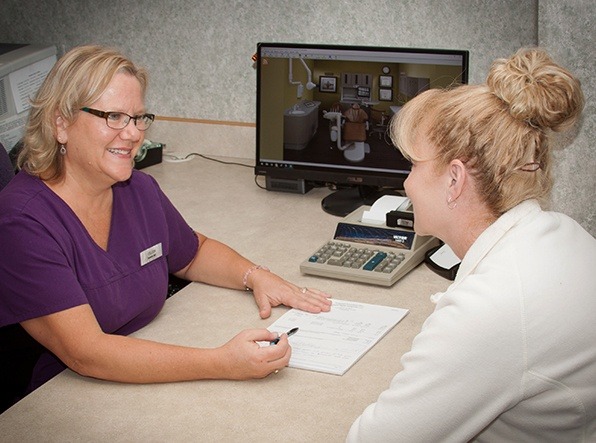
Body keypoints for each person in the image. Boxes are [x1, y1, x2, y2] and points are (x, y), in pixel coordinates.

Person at [0, 44, 331, 412]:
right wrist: (221, 362)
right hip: (65, 401)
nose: (132, 134)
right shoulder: (22, 221)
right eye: (113, 116)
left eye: (139, 118)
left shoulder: (136, 189)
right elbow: (87, 353)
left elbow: (193, 252)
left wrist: (255, 275)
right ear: (61, 123)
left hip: (146, 379)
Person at [347, 48, 595, 441]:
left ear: (454, 180)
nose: (407, 183)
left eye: (413, 164)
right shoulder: (567, 234)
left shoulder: (491, 308)